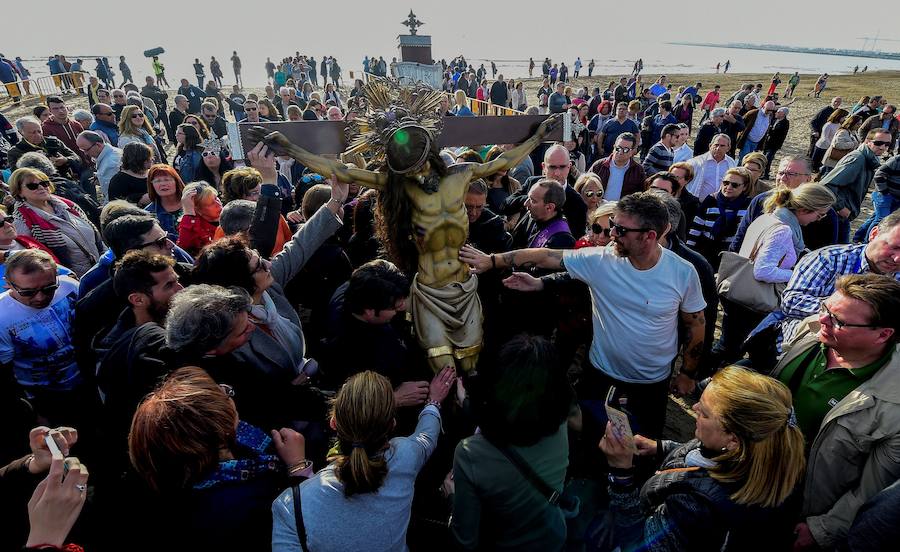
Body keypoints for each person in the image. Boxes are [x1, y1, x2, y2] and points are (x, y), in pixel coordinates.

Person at [461, 192, 707, 440]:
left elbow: (695, 325)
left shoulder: (682, 273)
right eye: (612, 227)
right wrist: (492, 261)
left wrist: (687, 373)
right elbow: (546, 256)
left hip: (651, 385)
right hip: (600, 375)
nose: (612, 235)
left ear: (650, 236)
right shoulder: (602, 261)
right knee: (588, 440)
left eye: (620, 230)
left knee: (643, 446)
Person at [599, 366, 805, 551]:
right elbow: (708, 460)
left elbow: (638, 542)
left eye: (705, 413)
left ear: (733, 439)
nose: (695, 408)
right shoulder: (770, 452)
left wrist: (621, 476)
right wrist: (661, 448)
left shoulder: (695, 508)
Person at [772, 274, 900, 551]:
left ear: (883, 334)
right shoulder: (814, 331)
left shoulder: (894, 404)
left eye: (838, 321)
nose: (823, 320)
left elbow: (873, 487)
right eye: (825, 308)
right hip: (752, 477)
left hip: (798, 514)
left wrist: (824, 528)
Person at [272, 366, 455, 551]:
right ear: (392, 424)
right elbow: (426, 436)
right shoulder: (406, 456)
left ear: (333, 423)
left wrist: (298, 469)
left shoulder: (290, 506)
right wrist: (434, 402)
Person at [128, 367, 309, 551]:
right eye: (222, 394)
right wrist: (298, 468)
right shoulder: (239, 511)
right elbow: (302, 532)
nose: (228, 394)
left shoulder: (177, 476)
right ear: (219, 428)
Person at [449, 335, 574, 550]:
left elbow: (464, 540)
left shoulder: (469, 454)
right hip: (553, 538)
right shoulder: (559, 421)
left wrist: (452, 496)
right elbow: (517, 417)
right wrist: (469, 406)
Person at [713, 184, 836, 366]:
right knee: (736, 348)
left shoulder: (767, 217)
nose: (818, 220)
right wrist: (796, 274)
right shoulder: (783, 229)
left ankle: (702, 377)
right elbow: (763, 271)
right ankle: (705, 382)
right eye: (819, 215)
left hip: (738, 290)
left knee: (729, 343)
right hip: (753, 299)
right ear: (804, 208)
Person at [777, 210, 900, 345]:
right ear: (874, 234)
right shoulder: (829, 259)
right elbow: (791, 302)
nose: (897, 258)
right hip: (811, 339)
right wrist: (843, 314)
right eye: (894, 247)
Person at [0, 250, 86, 425]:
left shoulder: (70, 287)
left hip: (85, 380)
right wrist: (33, 411)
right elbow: (5, 374)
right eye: (28, 292)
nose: (40, 297)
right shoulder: (2, 315)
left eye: (49, 288)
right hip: (44, 396)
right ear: (8, 284)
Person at [9, 168, 103, 276]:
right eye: (32, 186)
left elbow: (95, 235)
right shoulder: (23, 222)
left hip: (101, 267)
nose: (41, 187)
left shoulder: (68, 206)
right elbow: (34, 261)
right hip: (74, 279)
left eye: (44, 183)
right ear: (19, 192)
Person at [820, 129, 891, 243]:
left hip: (842, 215)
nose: (883, 147)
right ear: (868, 141)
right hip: (836, 214)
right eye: (878, 143)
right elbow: (826, 185)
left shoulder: (868, 159)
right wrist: (841, 207)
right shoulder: (857, 159)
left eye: (887, 144)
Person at [686, 166, 752, 270]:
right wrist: (689, 252)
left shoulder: (748, 205)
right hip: (706, 251)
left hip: (733, 255)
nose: (728, 187)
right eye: (726, 183)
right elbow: (696, 228)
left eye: (734, 185)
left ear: (744, 187)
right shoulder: (711, 200)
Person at [9, 116, 81, 180]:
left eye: (39, 131)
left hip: (65, 180)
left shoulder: (53, 142)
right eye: (33, 132)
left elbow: (77, 158)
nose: (37, 135)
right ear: (21, 133)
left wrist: (66, 160)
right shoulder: (16, 151)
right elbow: (17, 176)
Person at [587, 133, 646, 201]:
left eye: (626, 150)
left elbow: (642, 195)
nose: (620, 152)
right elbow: (586, 186)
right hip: (599, 207)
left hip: (623, 209)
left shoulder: (638, 171)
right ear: (614, 147)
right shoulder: (599, 165)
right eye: (618, 148)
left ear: (632, 152)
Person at [685, 133, 738, 202]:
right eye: (716, 145)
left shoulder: (731, 163)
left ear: (728, 148)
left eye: (722, 146)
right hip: (699, 203)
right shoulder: (696, 162)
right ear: (710, 146)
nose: (718, 148)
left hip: (722, 203)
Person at [176, 182, 222, 255]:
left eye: (216, 198)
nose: (218, 204)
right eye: (211, 203)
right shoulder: (190, 226)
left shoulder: (228, 214)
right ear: (198, 210)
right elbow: (183, 248)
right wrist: (189, 214)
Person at [75, 130, 121, 202]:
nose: (85, 154)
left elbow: (113, 196)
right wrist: (100, 178)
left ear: (98, 145)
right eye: (82, 151)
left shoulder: (110, 165)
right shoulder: (113, 152)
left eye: (86, 150)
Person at [144, 164, 185, 240]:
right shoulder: (149, 213)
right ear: (152, 185)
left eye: (167, 179)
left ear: (176, 181)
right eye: (157, 181)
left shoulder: (194, 203)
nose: (163, 184)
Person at [811, 108, 849, 172]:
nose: (844, 119)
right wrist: (832, 145)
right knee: (815, 165)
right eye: (843, 117)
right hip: (822, 147)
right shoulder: (828, 125)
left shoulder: (839, 124)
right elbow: (824, 138)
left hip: (830, 147)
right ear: (838, 116)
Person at [760, 107, 791, 179]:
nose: (776, 113)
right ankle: (762, 173)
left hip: (774, 144)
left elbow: (777, 132)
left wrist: (769, 128)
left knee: (768, 158)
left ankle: (766, 174)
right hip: (767, 142)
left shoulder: (785, 123)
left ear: (783, 114)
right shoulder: (774, 120)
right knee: (764, 157)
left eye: (778, 112)